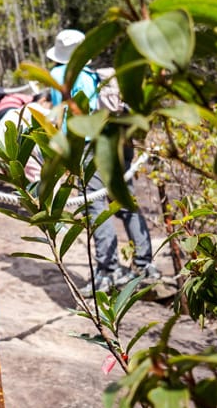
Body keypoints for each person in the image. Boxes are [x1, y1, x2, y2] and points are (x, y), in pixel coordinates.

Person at [47, 28, 160, 295]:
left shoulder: (58, 75)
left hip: (88, 148)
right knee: (126, 201)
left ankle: (107, 273)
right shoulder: (93, 75)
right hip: (117, 142)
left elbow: (63, 120)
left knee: (96, 207)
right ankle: (146, 265)